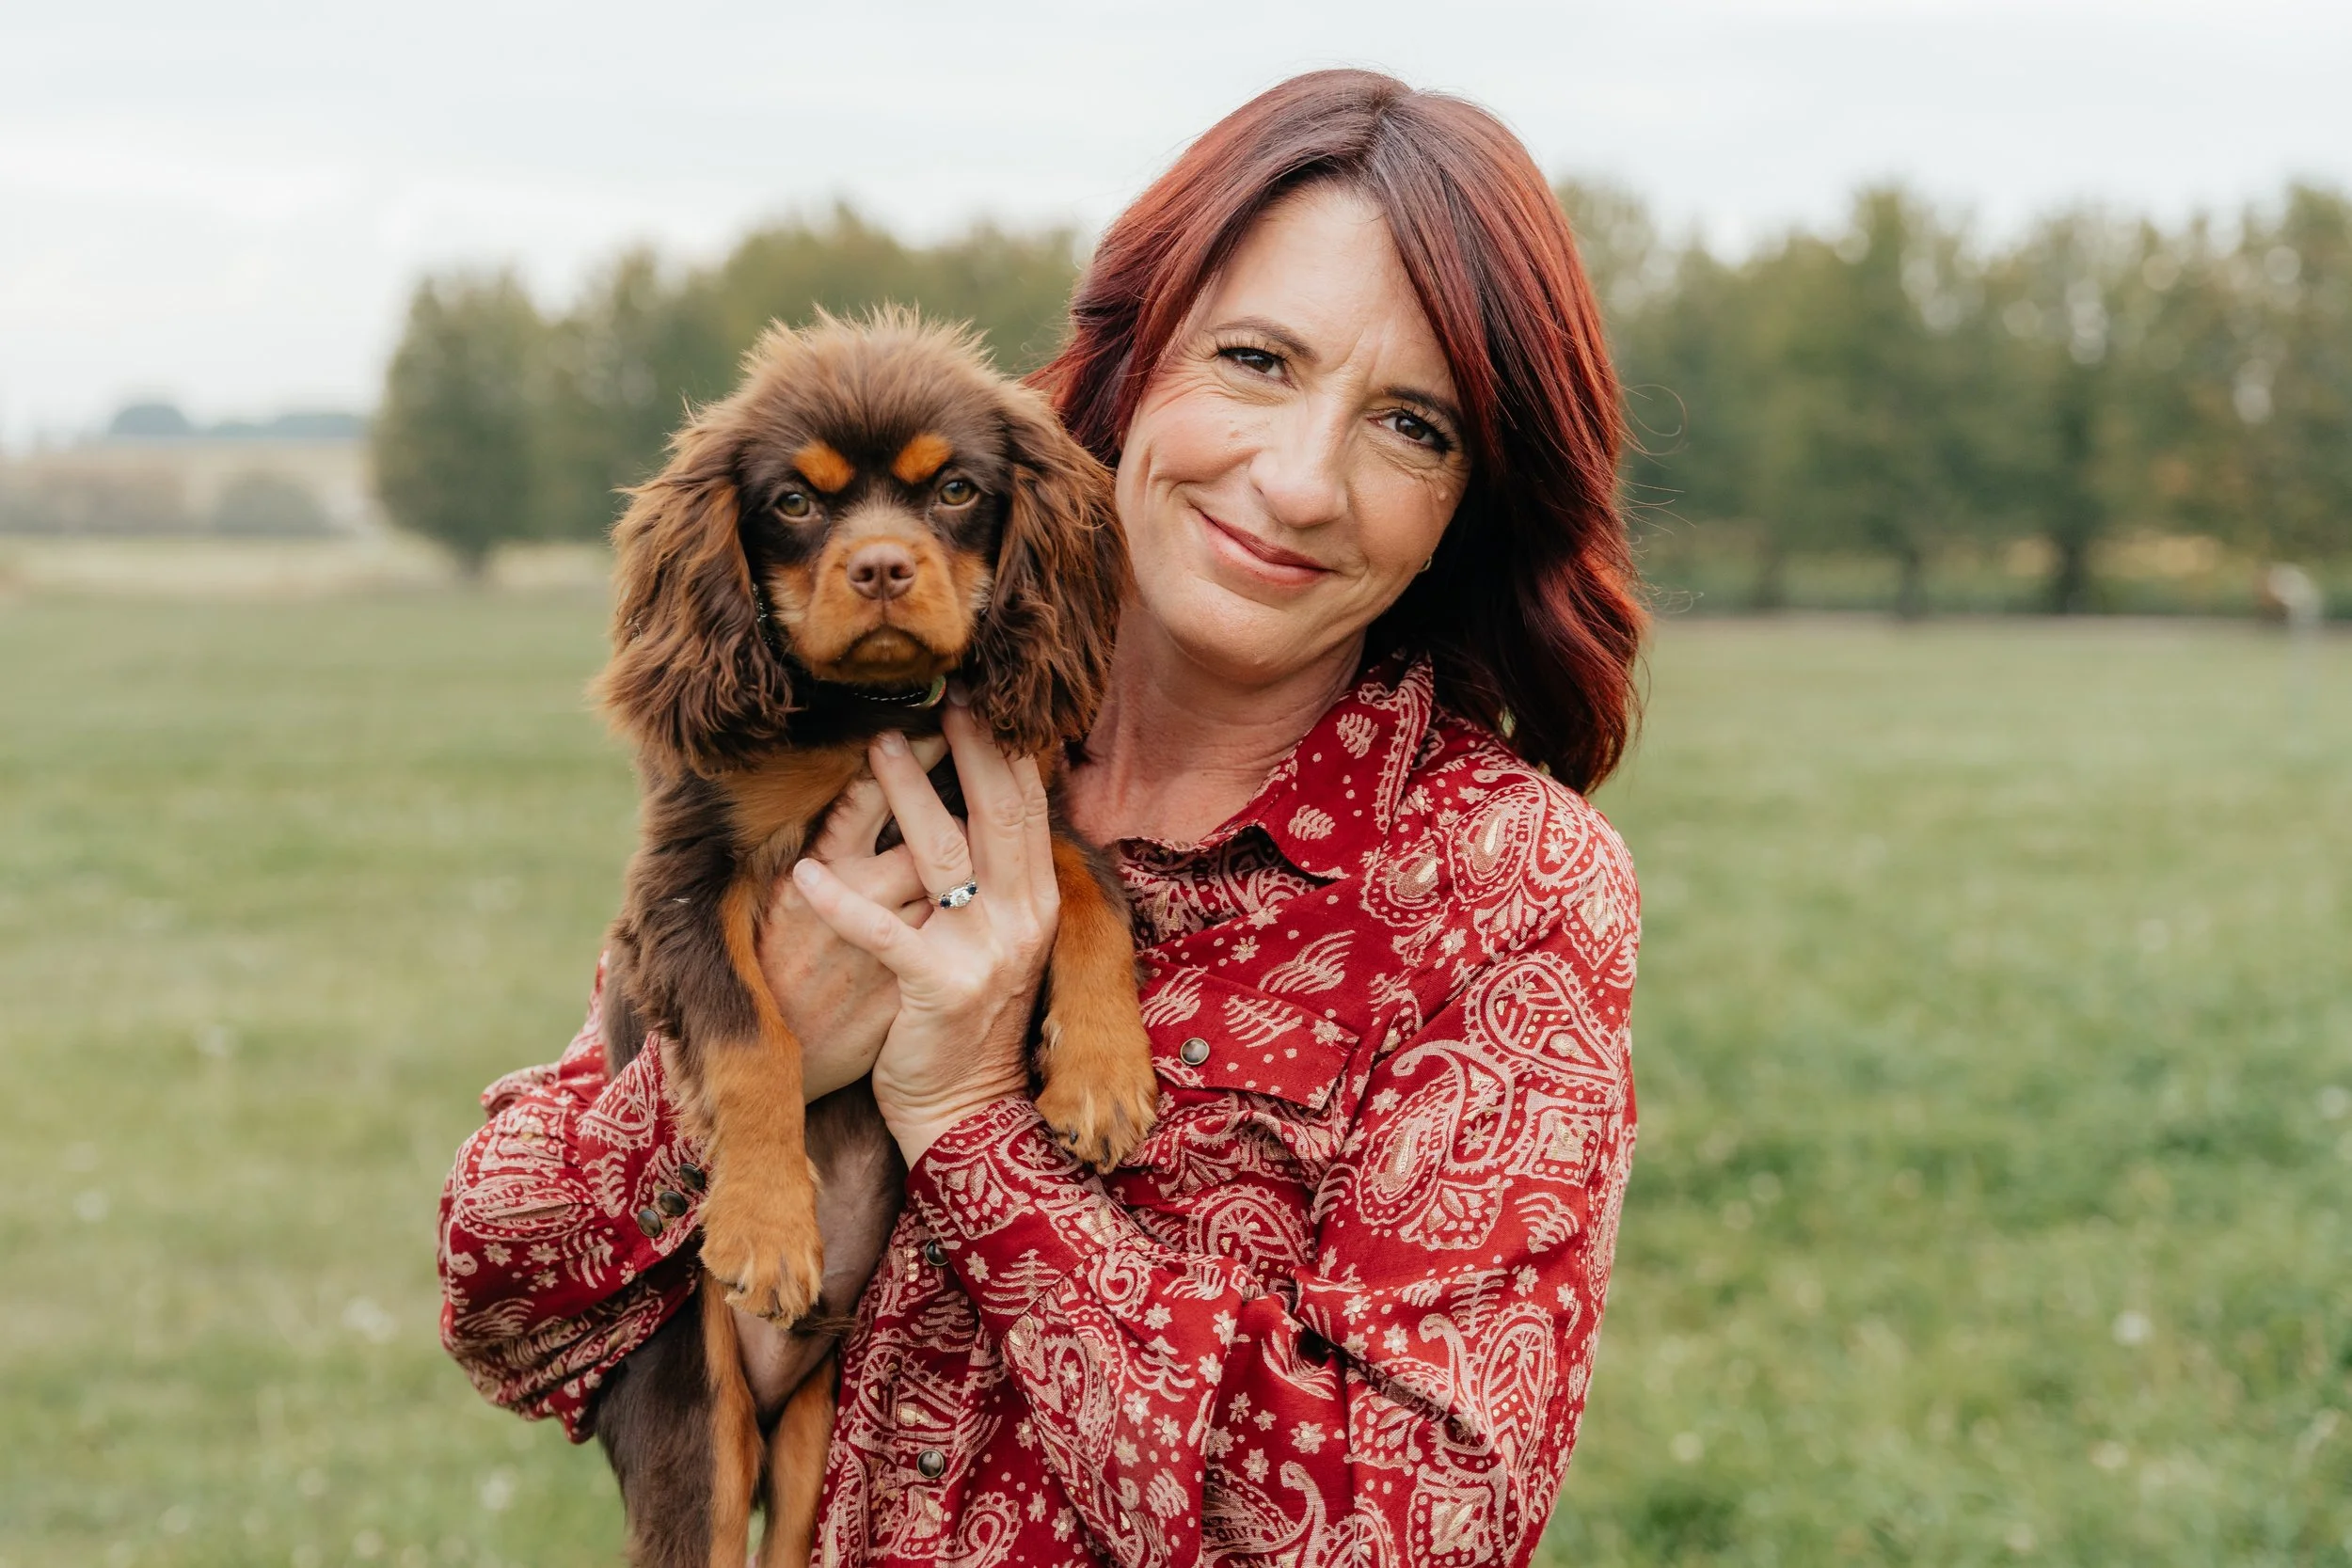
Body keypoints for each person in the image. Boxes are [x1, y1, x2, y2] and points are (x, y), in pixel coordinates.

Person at [438, 68, 1645, 1568]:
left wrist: (967, 1129)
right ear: (1133, 364)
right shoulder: (878, 730)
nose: (1298, 478)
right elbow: (498, 1292)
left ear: (1472, 499)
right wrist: (759, 1078)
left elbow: (1411, 1532)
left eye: (1413, 426)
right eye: (1259, 360)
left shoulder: (1501, 882)